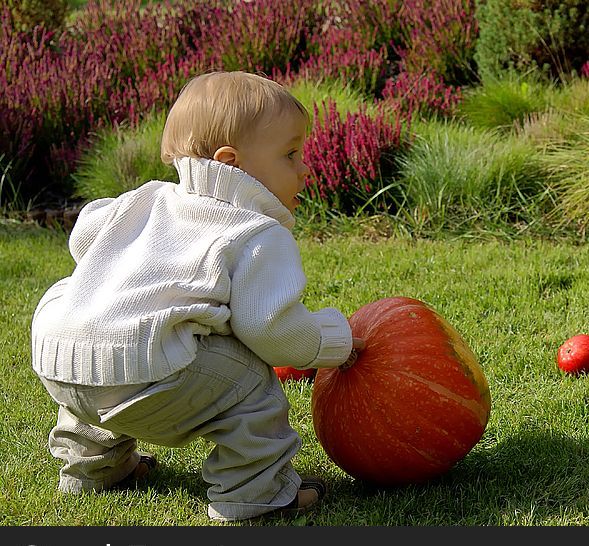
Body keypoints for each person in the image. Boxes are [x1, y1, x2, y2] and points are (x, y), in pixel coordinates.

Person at [30, 71, 363, 522]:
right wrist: (332, 339)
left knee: (103, 341)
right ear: (233, 163)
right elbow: (270, 330)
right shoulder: (253, 232)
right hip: (147, 378)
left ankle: (93, 469)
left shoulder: (142, 199)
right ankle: (256, 494)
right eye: (290, 154)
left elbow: (85, 236)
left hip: (58, 359)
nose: (305, 168)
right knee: (251, 379)